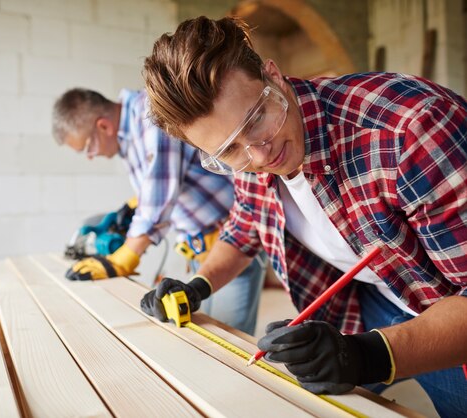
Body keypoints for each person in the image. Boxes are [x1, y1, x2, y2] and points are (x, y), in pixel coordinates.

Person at [139, 15, 467, 417]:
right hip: (368, 300)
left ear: (273, 75)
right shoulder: (250, 157)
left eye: (255, 118)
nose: (259, 155)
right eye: (229, 150)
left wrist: (366, 356)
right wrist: (198, 286)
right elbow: (244, 231)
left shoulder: (411, 129)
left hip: (448, 312)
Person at [51, 87, 267, 335]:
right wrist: (130, 208)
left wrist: (123, 259)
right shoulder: (129, 135)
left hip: (234, 247)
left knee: (230, 341)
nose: (91, 156)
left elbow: (159, 196)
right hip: (199, 252)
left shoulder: (150, 114)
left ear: (103, 127)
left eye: (87, 148)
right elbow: (156, 187)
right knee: (204, 335)